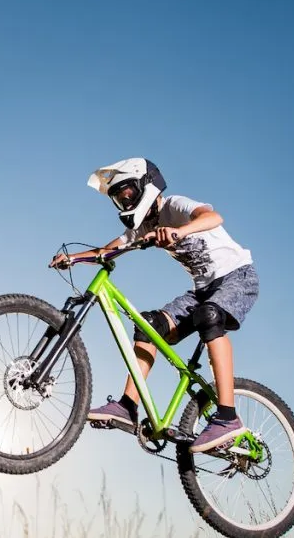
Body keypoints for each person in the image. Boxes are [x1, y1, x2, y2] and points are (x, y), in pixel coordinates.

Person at [48, 158, 259, 453]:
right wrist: (75, 258)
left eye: (127, 193)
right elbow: (107, 251)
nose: (124, 200)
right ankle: (128, 406)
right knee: (148, 325)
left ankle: (227, 417)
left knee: (209, 316)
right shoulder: (144, 225)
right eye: (118, 198)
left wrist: (179, 231)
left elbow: (213, 217)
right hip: (200, 291)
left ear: (146, 186)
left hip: (237, 276)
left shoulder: (175, 206)